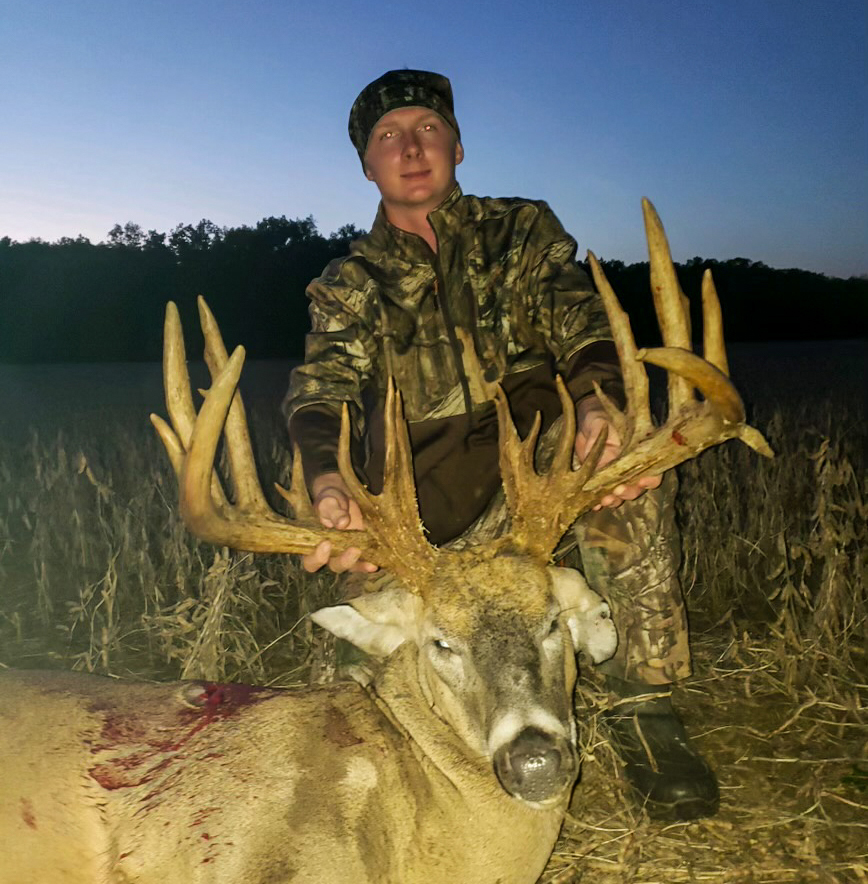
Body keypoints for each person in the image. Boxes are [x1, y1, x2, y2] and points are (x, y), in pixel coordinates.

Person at [283, 69, 718, 821]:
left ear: (456, 145)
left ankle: (645, 712)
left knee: (630, 479)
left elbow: (581, 326)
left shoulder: (521, 231)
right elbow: (320, 393)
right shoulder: (348, 282)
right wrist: (328, 482)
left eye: (428, 129)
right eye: (389, 136)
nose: (411, 147)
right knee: (366, 651)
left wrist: (598, 408)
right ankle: (456, 734)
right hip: (428, 523)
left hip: (541, 495)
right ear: (367, 165)